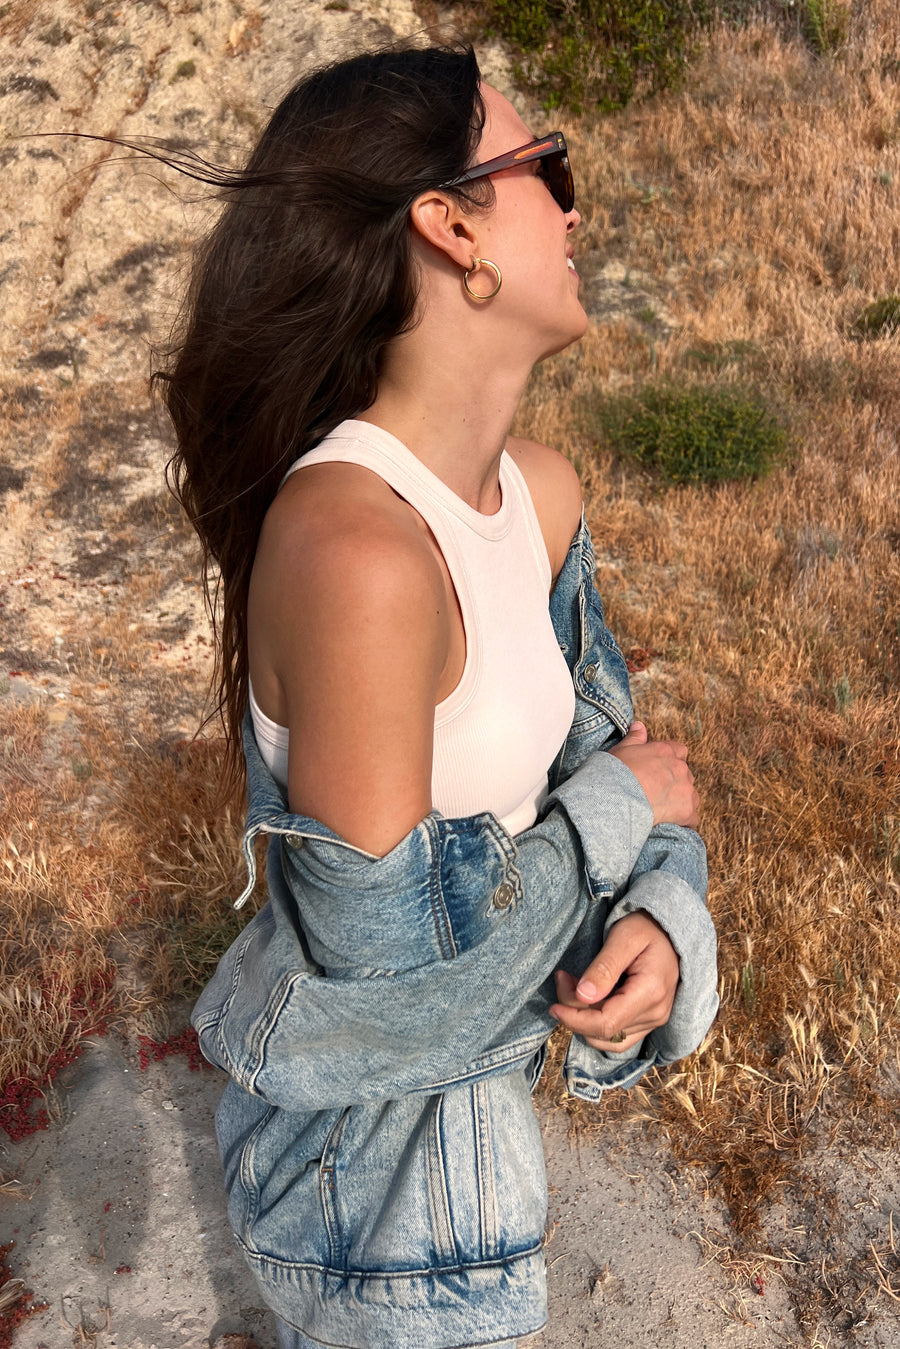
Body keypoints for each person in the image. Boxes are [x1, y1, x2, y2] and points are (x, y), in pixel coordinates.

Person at [151, 40, 718, 1349]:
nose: (576, 209)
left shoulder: (544, 492)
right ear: (451, 226)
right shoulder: (358, 556)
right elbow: (393, 997)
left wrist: (665, 906)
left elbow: (623, 756)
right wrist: (613, 823)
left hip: (477, 1154)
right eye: (547, 169)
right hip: (373, 1212)